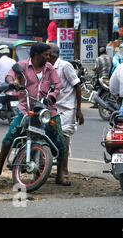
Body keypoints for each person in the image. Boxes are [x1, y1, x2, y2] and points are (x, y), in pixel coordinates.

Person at [0, 43, 70, 186]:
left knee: (61, 144)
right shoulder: (22, 66)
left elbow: (58, 85)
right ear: (36, 55)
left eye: (49, 54)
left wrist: (53, 95)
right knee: (8, 138)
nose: (49, 57)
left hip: (47, 110)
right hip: (26, 109)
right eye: (46, 54)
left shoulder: (49, 69)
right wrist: (13, 83)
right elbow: (10, 76)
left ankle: (60, 174)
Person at [49, 44, 84, 180]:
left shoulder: (65, 66)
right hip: (52, 107)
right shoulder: (47, 68)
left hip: (67, 108)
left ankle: (63, 171)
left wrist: (79, 110)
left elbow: (77, 87)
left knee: (64, 137)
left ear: (52, 55)